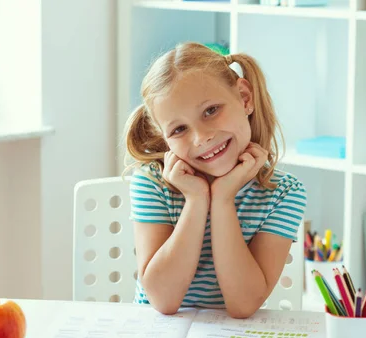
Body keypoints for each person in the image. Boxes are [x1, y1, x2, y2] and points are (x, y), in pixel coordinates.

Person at [123, 42, 307, 318]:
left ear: (245, 98)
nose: (201, 137)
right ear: (164, 138)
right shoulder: (152, 182)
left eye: (210, 111)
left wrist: (223, 199)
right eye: (179, 129)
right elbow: (163, 300)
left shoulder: (282, 193)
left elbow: (243, 305)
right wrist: (196, 200)